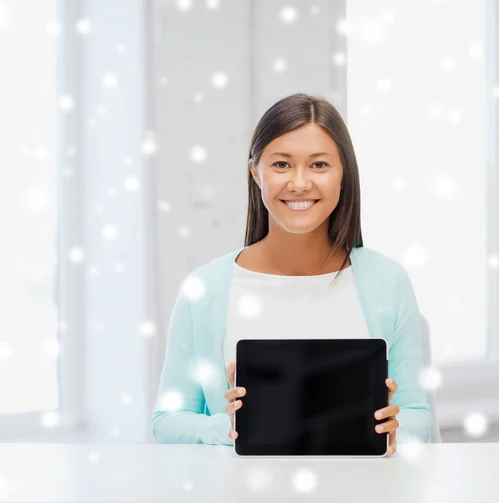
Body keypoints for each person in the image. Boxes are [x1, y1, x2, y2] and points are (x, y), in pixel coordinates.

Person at [151, 93, 432, 454]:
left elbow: (418, 416)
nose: (300, 183)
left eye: (319, 165)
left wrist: (394, 427)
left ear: (343, 173)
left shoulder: (388, 281)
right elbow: (167, 420)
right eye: (282, 165)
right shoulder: (205, 289)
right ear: (255, 171)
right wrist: (234, 426)